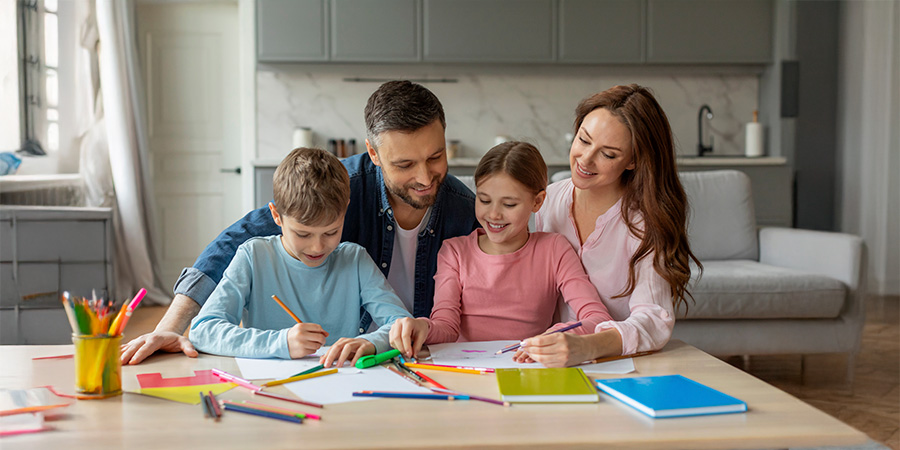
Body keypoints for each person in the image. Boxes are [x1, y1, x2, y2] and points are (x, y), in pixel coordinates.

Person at [121, 80, 479, 365]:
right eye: (404, 165)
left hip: (402, 356)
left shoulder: (464, 210)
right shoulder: (341, 186)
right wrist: (170, 328)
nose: (425, 177)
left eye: (436, 156)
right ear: (374, 153)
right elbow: (234, 244)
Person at [514, 84, 702, 368]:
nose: (585, 159)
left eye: (608, 154)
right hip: (542, 360)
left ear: (633, 161)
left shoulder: (644, 222)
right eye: (583, 140)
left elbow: (653, 318)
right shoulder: (548, 200)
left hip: (615, 364)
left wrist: (586, 347)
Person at [389, 142, 614, 358]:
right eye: (485, 200)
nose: (494, 215)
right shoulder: (454, 251)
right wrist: (421, 326)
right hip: (468, 368)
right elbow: (446, 327)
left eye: (509, 205)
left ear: (537, 202)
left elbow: (597, 317)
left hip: (527, 366)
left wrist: (558, 335)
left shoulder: (554, 249)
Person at [189, 148, 412, 365]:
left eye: (331, 232)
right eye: (303, 234)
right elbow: (203, 331)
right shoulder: (253, 257)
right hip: (270, 386)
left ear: (346, 209)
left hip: (340, 382)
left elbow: (400, 324)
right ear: (276, 215)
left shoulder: (355, 260)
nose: (317, 247)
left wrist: (369, 343)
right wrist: (280, 342)